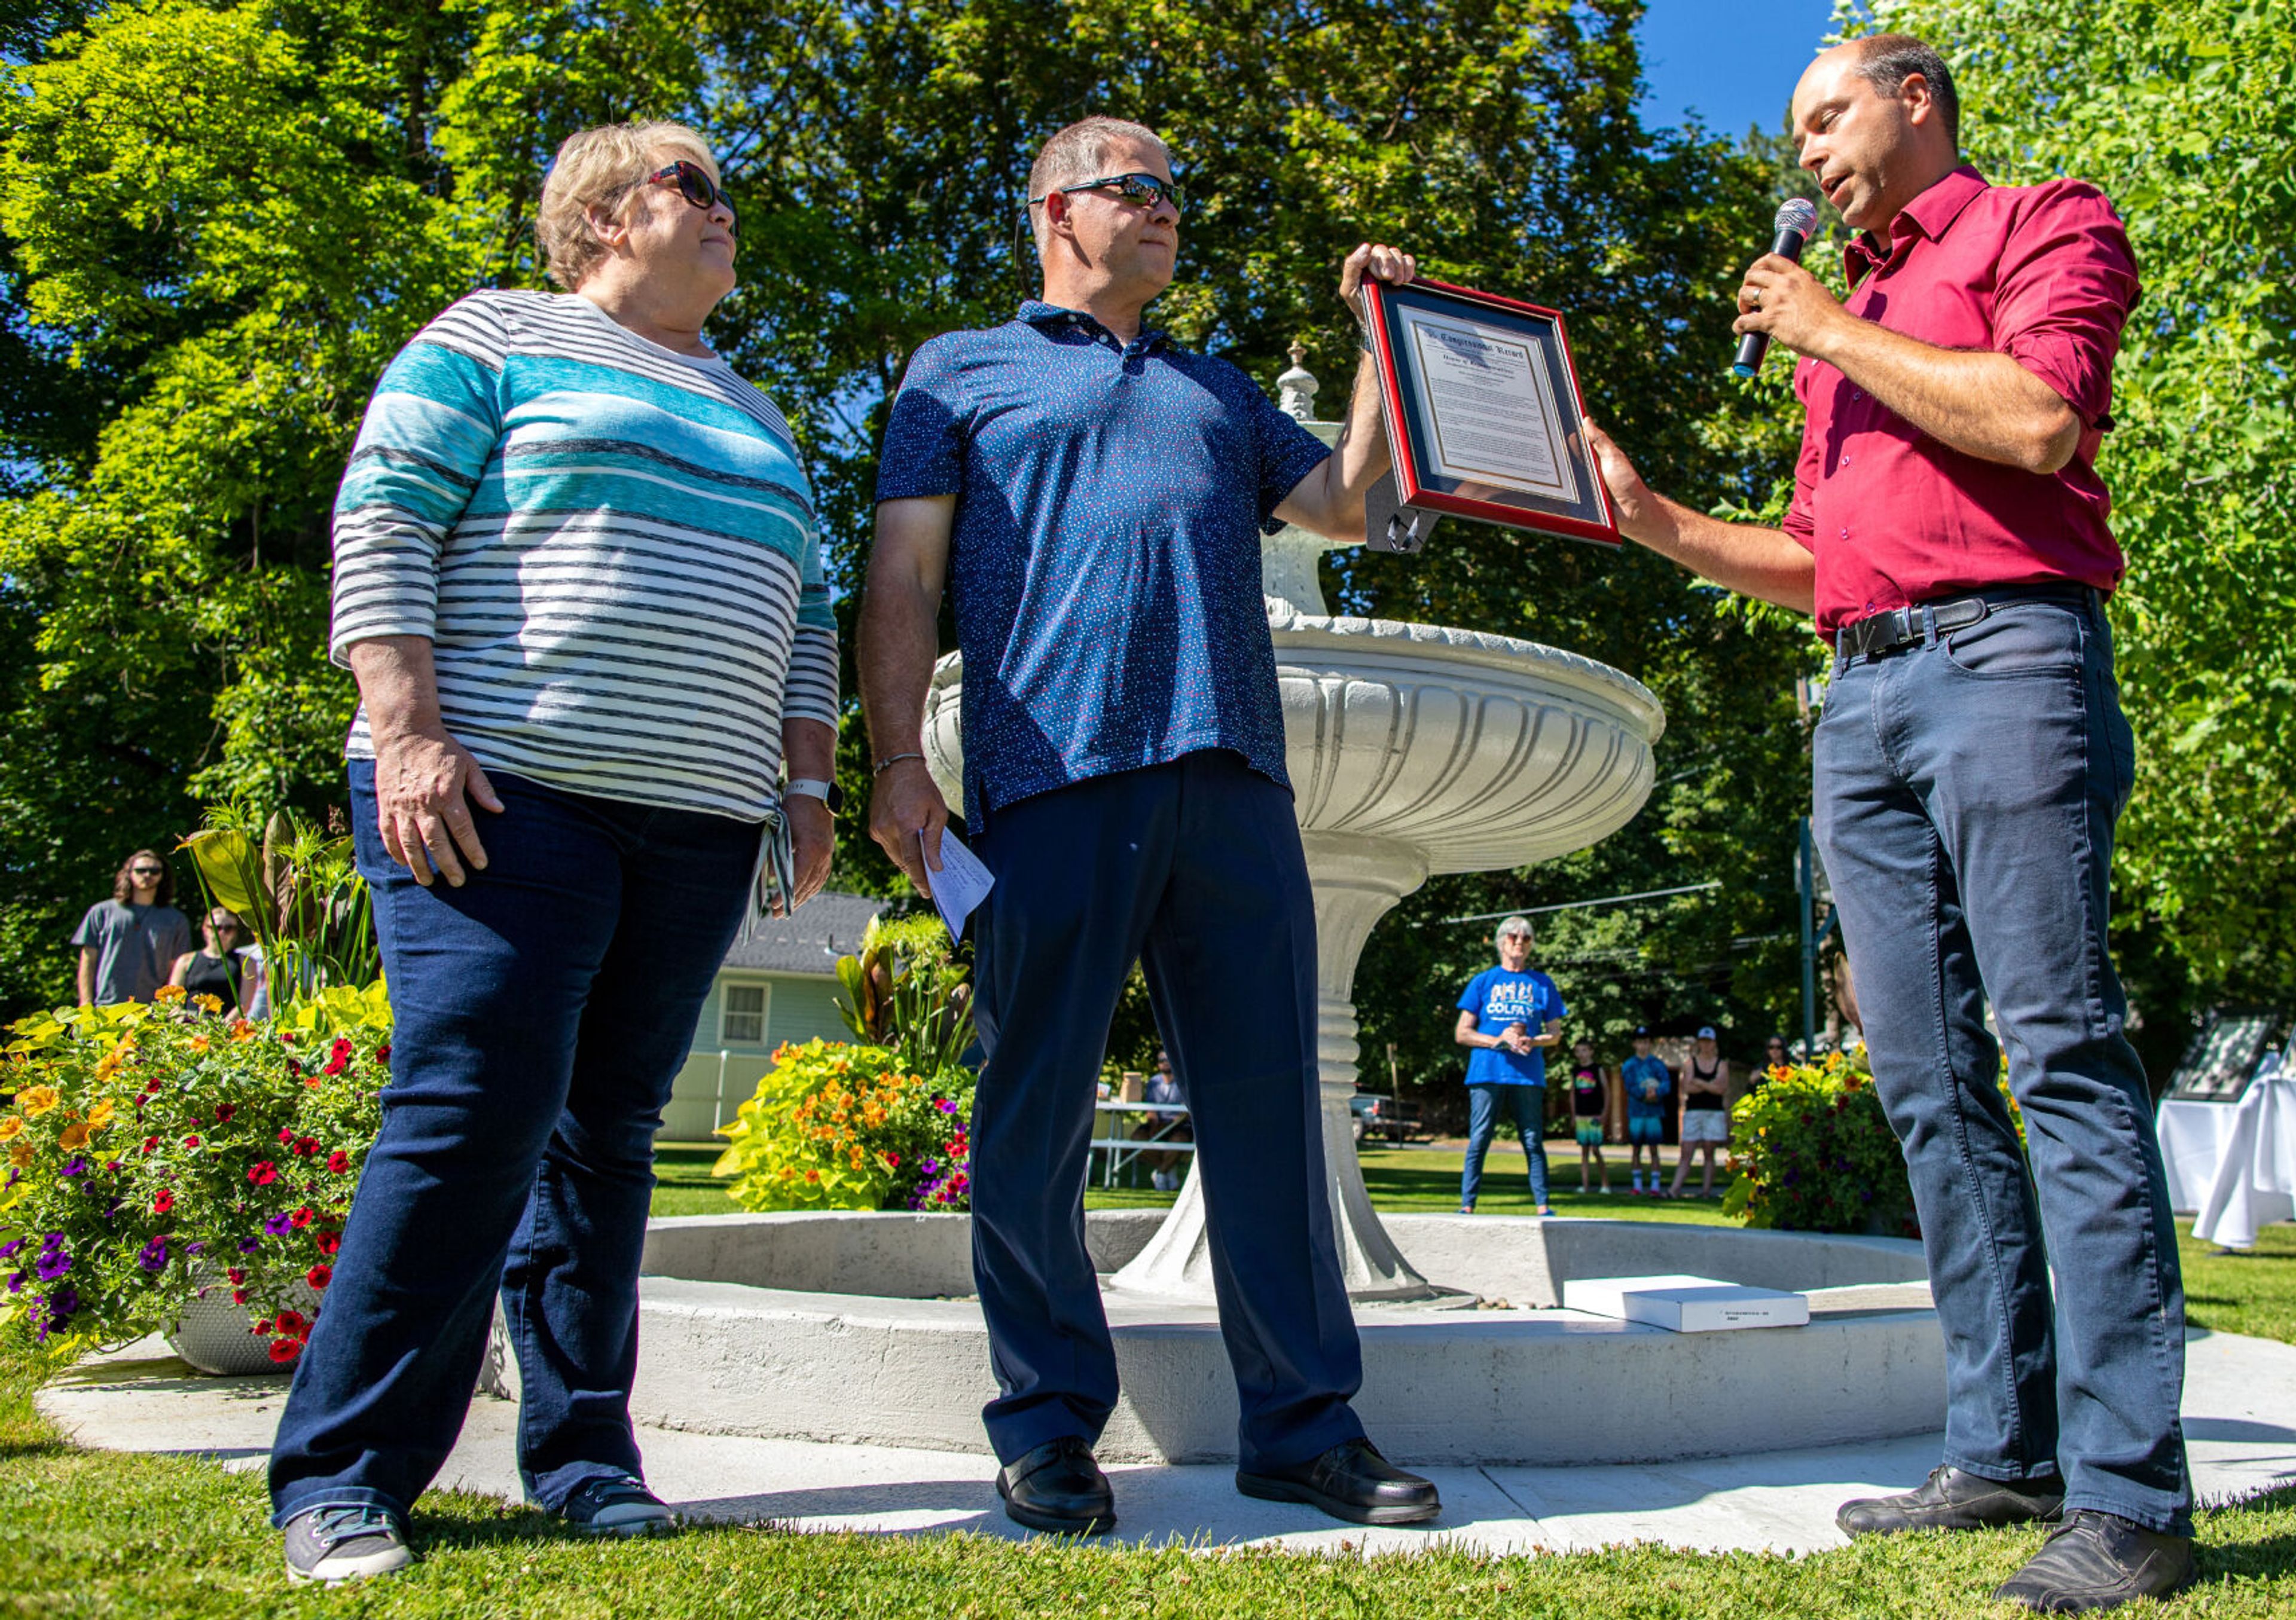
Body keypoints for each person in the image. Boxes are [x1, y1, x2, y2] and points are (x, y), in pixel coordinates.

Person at [1584, 33, 2190, 1608]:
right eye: (1795, 131)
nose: (1808, 154)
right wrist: (1653, 521)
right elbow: (1814, 556)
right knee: (1924, 1081)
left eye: (1827, 116)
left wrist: (1833, 327)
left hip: (2008, 658)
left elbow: (2039, 421)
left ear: (1916, 94)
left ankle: (2132, 1495)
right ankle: (2004, 1442)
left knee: (2057, 1052)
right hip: (1859, 687)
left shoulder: (2037, 222)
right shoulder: (1829, 332)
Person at [266, 120, 839, 1585]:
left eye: (724, 186)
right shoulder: (494, 338)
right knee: (471, 1109)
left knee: (607, 1138)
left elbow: (810, 610)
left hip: (699, 823)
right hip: (502, 792)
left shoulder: (756, 410)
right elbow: (384, 513)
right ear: (597, 217)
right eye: (694, 186)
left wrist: (807, 780)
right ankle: (342, 1473)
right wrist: (402, 731)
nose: (725, 211)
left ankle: (583, 1457)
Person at [860, 115, 1437, 1538]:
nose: (1170, 207)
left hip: (1233, 774)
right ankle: (1048, 1430)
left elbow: (1349, 506)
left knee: (1268, 1120)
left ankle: (1303, 1429)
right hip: (1051, 778)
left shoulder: (1213, 387)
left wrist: (1376, 340)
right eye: (1140, 187)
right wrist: (893, 764)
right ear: (1057, 211)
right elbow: (897, 580)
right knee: (1032, 1114)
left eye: (1178, 187)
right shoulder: (957, 371)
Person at [1453, 916, 1564, 1216]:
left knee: (1532, 1140)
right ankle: (1467, 1205)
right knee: (1480, 1138)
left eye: (1526, 938)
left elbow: (1555, 1034)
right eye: (1514, 937)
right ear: (1502, 942)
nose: (1520, 942)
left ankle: (1543, 1207)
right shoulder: (1484, 981)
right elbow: (1462, 1033)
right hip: (1487, 1071)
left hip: (1527, 1074)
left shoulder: (1542, 984)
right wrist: (1498, 1040)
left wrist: (1533, 1041)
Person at [71, 850, 191, 1008]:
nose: (147, 875)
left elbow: (176, 968)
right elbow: (88, 960)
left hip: (152, 1011)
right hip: (107, 1007)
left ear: (163, 876)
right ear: (129, 873)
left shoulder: (176, 920)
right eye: (141, 871)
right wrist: (85, 1002)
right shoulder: (102, 912)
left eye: (155, 871)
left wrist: (169, 1008)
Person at [1668, 1026, 1730, 1199]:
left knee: (1709, 1152)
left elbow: (1721, 1089)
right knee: (1687, 1150)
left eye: (1709, 1042)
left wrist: (1699, 1082)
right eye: (1703, 1041)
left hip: (1714, 1112)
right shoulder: (1690, 1063)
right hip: (1694, 1111)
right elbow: (1687, 1087)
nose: (1706, 1045)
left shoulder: (1721, 1064)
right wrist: (1710, 1084)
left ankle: (1706, 1192)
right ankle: (1674, 1190)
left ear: (1714, 1044)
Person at [1619, 1026, 1672, 1195]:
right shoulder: (1629, 1065)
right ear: (1635, 1044)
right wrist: (1644, 1094)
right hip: (1637, 1112)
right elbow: (1630, 1086)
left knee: (1654, 1149)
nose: (1643, 1046)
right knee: (1636, 1149)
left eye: (1646, 1042)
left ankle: (1655, 1187)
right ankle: (1637, 1185)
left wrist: (1656, 1092)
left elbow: (1666, 1083)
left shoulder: (1657, 1064)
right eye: (1640, 1042)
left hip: (1654, 1112)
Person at [1134, 1047, 1192, 1193]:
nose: (1165, 1063)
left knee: (1179, 1141)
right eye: (1161, 1060)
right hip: (1158, 1123)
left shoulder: (1184, 1080)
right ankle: (1167, 1169)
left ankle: (1160, 1173)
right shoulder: (1154, 1082)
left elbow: (1186, 1111)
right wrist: (1154, 1126)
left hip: (1180, 1124)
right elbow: (1151, 1109)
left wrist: (1172, 1124)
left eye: (1168, 1059)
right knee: (1137, 1139)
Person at [167, 908, 247, 1007]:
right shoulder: (185, 961)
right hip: (188, 1018)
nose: (222, 933)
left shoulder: (245, 962)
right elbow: (173, 998)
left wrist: (224, 1022)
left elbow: (244, 1004)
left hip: (225, 1020)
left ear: (235, 932)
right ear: (205, 929)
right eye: (216, 928)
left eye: (229, 928)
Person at [1567, 1039, 1611, 1197]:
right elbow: (1573, 1093)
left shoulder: (1597, 1069)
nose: (1582, 1054)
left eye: (1585, 1050)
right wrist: (1573, 1114)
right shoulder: (1575, 1070)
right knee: (1584, 1151)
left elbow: (1607, 1091)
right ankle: (1585, 1185)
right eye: (1578, 1051)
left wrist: (1605, 1113)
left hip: (1595, 1115)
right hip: (1581, 1115)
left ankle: (1605, 1184)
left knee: (1596, 1149)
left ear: (1591, 1051)